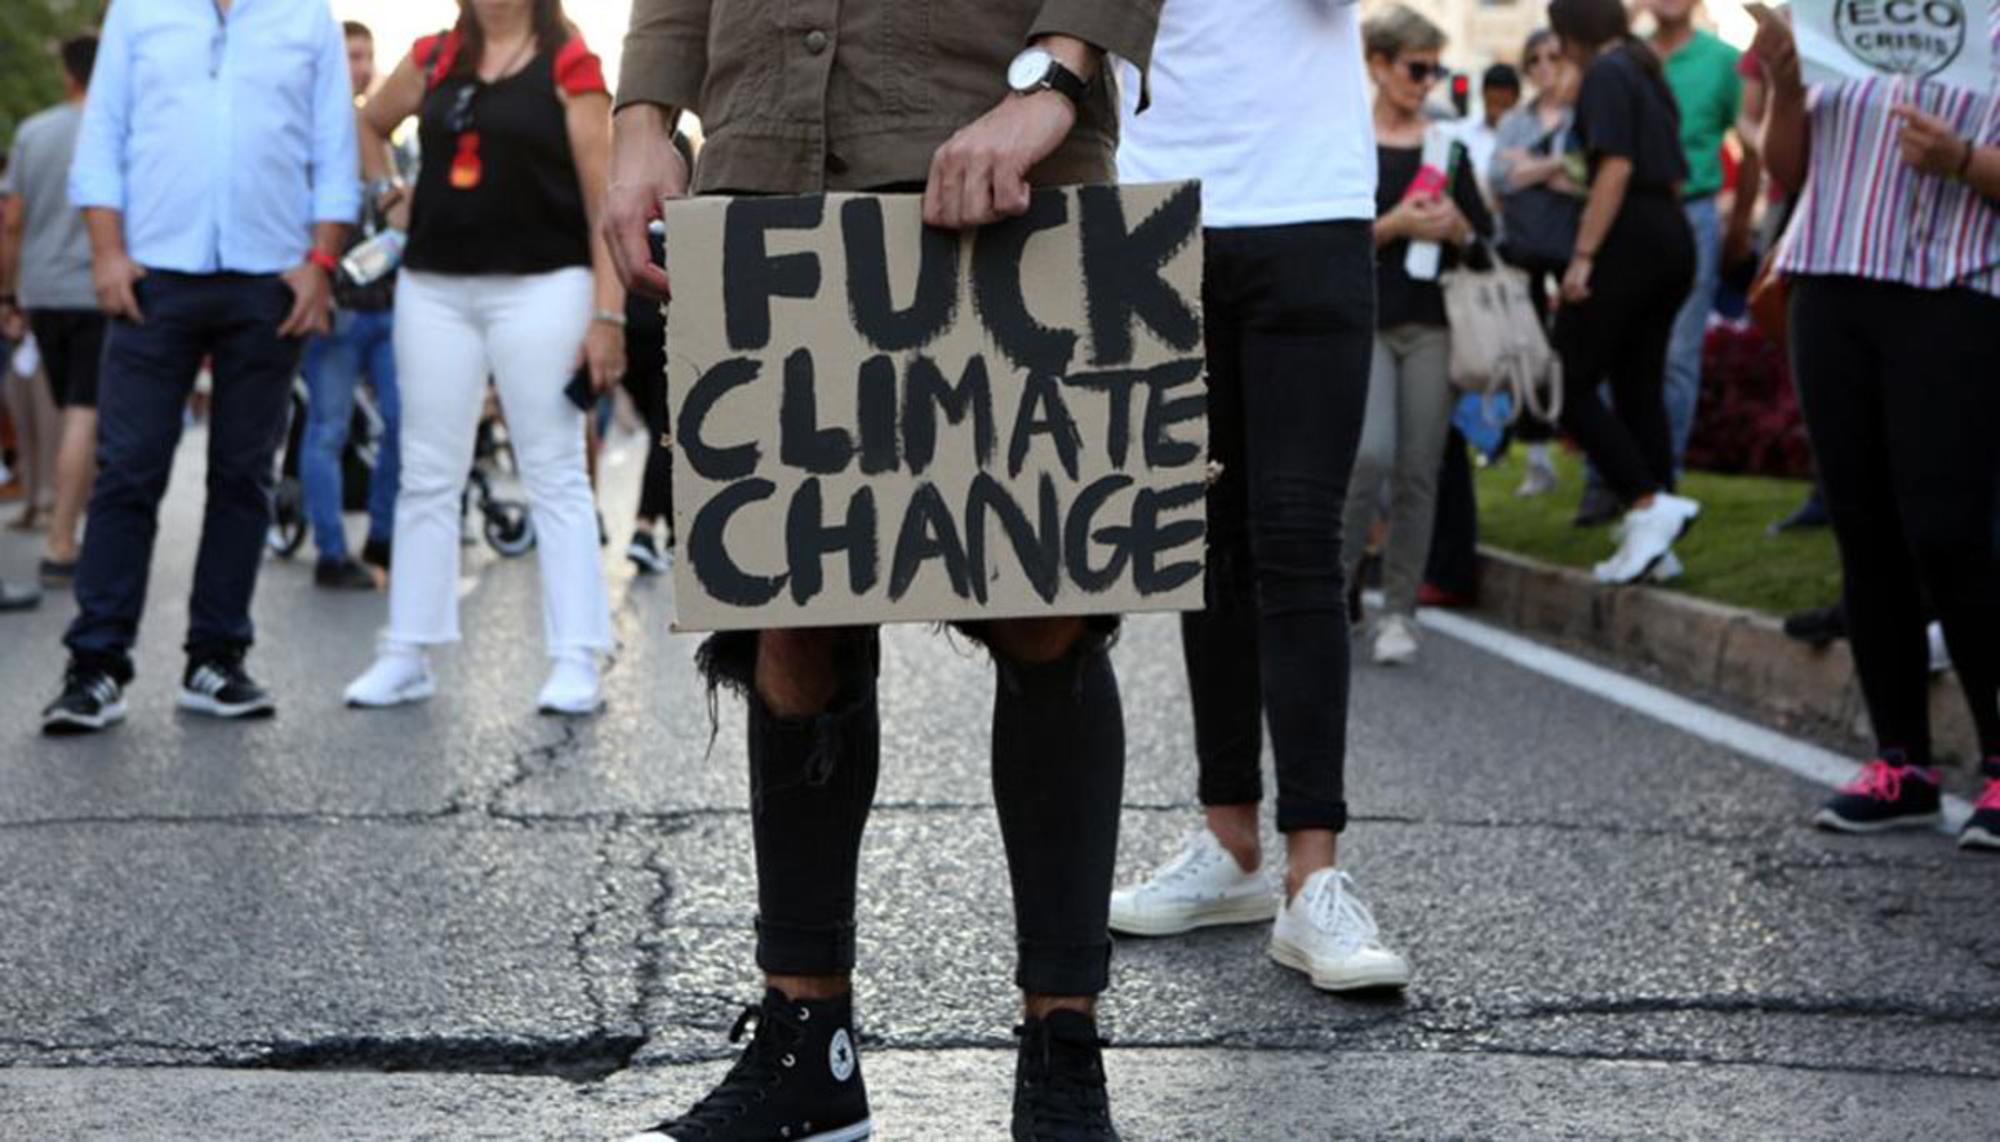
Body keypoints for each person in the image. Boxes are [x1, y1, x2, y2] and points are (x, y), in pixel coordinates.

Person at [605, 3, 1161, 1137]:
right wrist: (641, 119)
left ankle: (1063, 1044)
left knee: (1041, 602)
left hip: (997, 147)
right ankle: (810, 1050)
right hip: (762, 158)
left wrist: (1052, 83)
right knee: (787, 614)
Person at [1104, 0, 1412, 1000]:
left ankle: (1311, 872)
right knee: (1204, 539)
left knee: (1294, 534)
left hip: (1305, 207)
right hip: (1151, 208)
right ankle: (1228, 842)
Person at [39, 0, 358, 735]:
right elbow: (104, 141)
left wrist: (320, 265)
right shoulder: (139, 10)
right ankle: (95, 665)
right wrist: (107, 253)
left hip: (270, 276)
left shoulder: (306, 15)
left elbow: (333, 151)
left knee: (243, 475)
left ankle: (216, 659)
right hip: (155, 274)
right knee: (128, 470)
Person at [1746, 6, 1999, 852]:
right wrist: (1784, 81)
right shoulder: (1830, 17)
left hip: (1955, 288)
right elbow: (1789, 174)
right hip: (1830, 282)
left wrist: (1964, 161)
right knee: (1864, 529)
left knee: (1951, 532)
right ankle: (1902, 766)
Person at [341, 0, 622, 716]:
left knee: (553, 469)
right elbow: (368, 122)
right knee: (426, 470)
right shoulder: (436, 56)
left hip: (544, 286)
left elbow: (604, 204)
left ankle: (576, 656)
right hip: (433, 287)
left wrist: (607, 317)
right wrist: (387, 193)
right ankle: (408, 650)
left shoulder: (571, 64)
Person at [1341, 5, 1491, 666]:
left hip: (1432, 324)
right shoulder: (1346, 138)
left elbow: (1484, 247)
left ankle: (1399, 612)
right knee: (1367, 458)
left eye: (1435, 69)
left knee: (1418, 471)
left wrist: (1459, 229)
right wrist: (1397, 224)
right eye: (1415, 67)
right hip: (1363, 321)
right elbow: (1331, 241)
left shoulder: (1447, 148)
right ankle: (1334, 591)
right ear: (1378, 64)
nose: (1426, 81)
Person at [1544, 0, 1700, 586]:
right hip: (1669, 235)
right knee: (1638, 386)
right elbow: (1675, 172)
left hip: (1629, 237)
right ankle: (1656, 536)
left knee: (1562, 378)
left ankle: (1644, 502)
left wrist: (1583, 257)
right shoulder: (1644, 68)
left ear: (1573, 32)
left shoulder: (1607, 73)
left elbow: (1614, 168)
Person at [301, 21, 404, 592]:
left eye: (366, 55)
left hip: (390, 304)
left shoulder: (389, 135)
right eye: (350, 56)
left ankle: (382, 538)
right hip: (336, 305)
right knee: (327, 429)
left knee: (404, 419)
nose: (360, 67)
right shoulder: (317, 131)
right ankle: (331, 550)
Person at [1, 36, 103, 588]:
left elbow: (12, 221)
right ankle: (63, 539)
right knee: (83, 414)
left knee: (67, 408)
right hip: (97, 290)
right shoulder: (118, 129)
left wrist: (8, 292)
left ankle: (59, 517)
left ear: (68, 74)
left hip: (42, 290)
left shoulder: (33, 132)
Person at [1490, 27, 1581, 500]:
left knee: (1573, 350)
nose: (1546, 68)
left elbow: (1584, 178)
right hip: (1524, 249)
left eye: (1554, 57)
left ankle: (1587, 453)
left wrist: (1531, 165)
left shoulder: (1581, 113)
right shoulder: (1514, 121)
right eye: (1536, 60)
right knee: (1527, 351)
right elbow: (1499, 177)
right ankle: (1537, 455)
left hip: (1572, 249)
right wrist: (1553, 165)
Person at [618, 216, 675, 576]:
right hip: (665, 329)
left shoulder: (625, 214)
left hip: (630, 333)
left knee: (662, 435)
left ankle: (662, 528)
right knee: (663, 435)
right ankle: (646, 528)